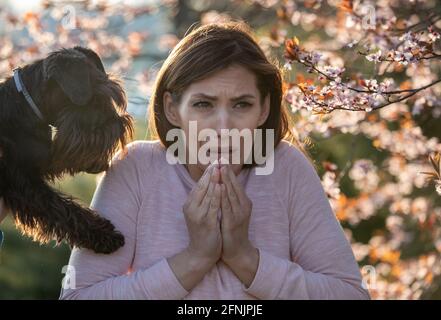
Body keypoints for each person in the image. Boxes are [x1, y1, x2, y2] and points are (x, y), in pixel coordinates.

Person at [59, 21, 370, 300]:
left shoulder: (286, 168)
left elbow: (350, 294)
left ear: (263, 110)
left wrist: (244, 257)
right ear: (172, 109)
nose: (223, 127)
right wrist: (194, 259)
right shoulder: (136, 167)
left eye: (242, 104)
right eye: (204, 104)